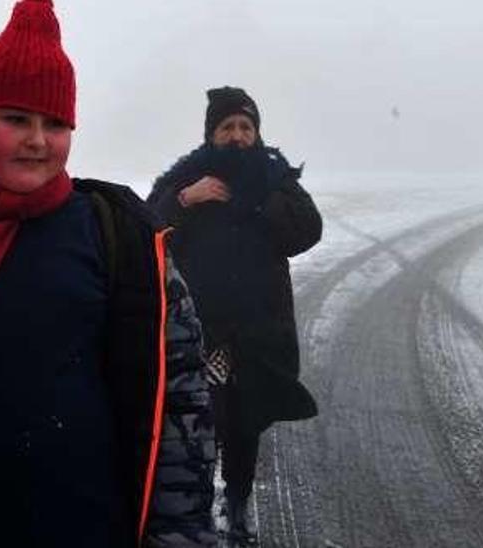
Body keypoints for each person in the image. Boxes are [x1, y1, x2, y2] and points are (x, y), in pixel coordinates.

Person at [0, 1, 215, 546]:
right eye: (16, 119)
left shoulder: (118, 237)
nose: (38, 140)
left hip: (83, 526)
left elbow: (180, 398)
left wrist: (181, 531)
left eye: (56, 123)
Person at [146, 86, 322, 546]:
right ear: (212, 134)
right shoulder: (187, 178)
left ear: (258, 133)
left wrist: (258, 200)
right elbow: (148, 229)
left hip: (257, 329)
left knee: (246, 422)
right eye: (228, 127)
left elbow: (308, 229)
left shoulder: (274, 177)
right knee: (199, 421)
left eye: (247, 127)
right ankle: (198, 505)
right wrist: (187, 200)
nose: (238, 135)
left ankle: (239, 501)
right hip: (201, 331)